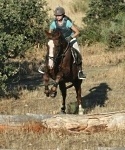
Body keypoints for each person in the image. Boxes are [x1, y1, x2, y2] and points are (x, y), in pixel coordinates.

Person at [38, 6, 86, 79]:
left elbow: (77, 32)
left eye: (59, 15)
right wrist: (51, 39)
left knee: (77, 53)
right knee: (51, 50)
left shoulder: (67, 22)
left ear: (63, 15)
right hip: (59, 41)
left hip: (70, 39)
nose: (57, 17)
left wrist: (71, 37)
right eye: (56, 16)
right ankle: (44, 65)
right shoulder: (53, 23)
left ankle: (80, 71)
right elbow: (50, 33)